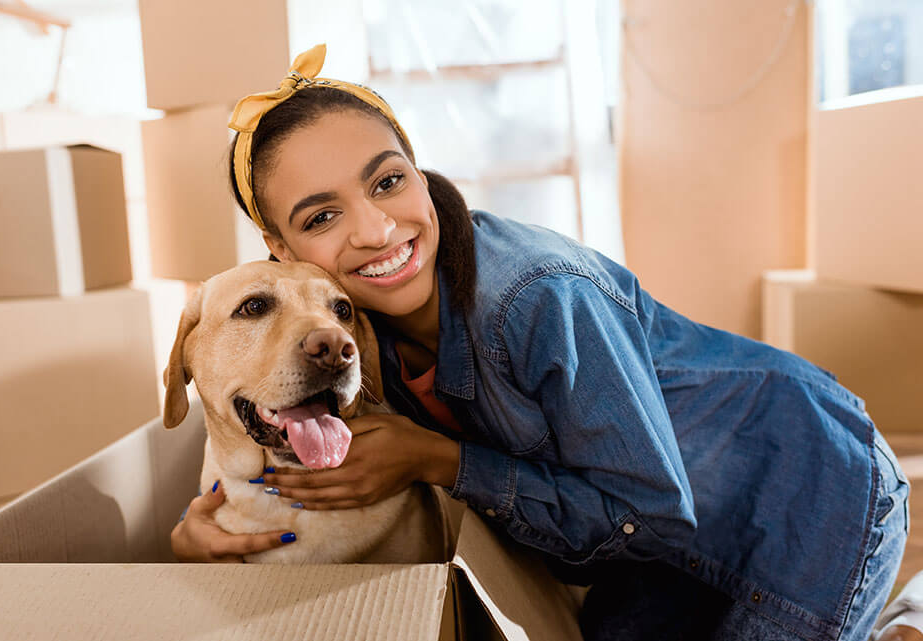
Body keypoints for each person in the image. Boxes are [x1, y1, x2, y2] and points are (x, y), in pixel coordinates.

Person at [171, 44, 912, 641]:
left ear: (421, 179)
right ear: (281, 247)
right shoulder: (347, 328)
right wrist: (203, 529)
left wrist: (441, 458)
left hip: (805, 486)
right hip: (650, 545)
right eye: (322, 217)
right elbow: (268, 435)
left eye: (389, 181)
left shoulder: (537, 296)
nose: (373, 229)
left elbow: (645, 510)